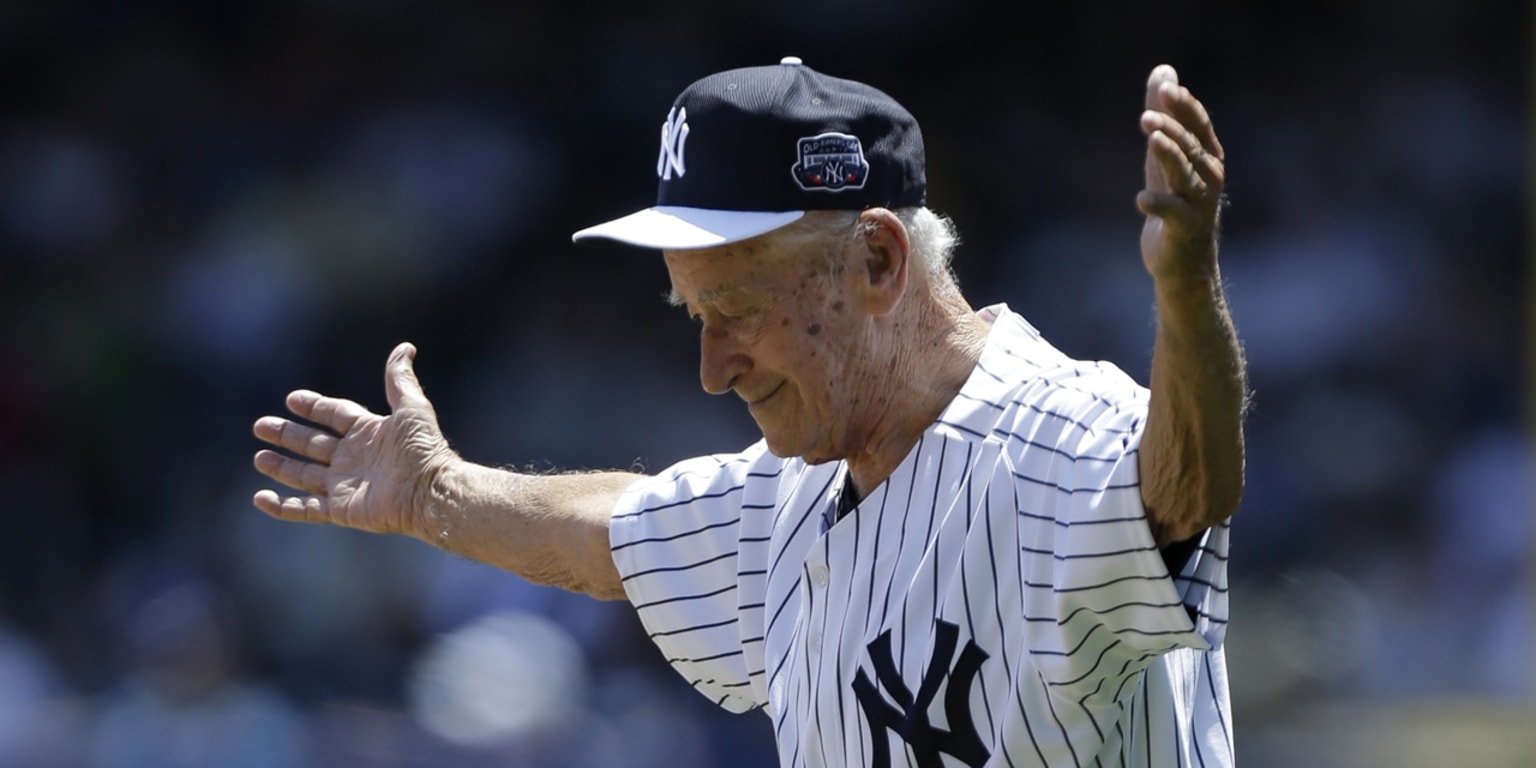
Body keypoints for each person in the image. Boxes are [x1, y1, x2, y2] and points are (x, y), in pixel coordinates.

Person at [253, 57, 1246, 767]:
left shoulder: (1054, 435)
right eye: (694, 314)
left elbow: (1187, 487)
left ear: (878, 261)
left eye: (736, 311)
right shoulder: (794, 495)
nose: (712, 366)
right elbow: (611, 537)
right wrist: (435, 491)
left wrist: (1187, 297)